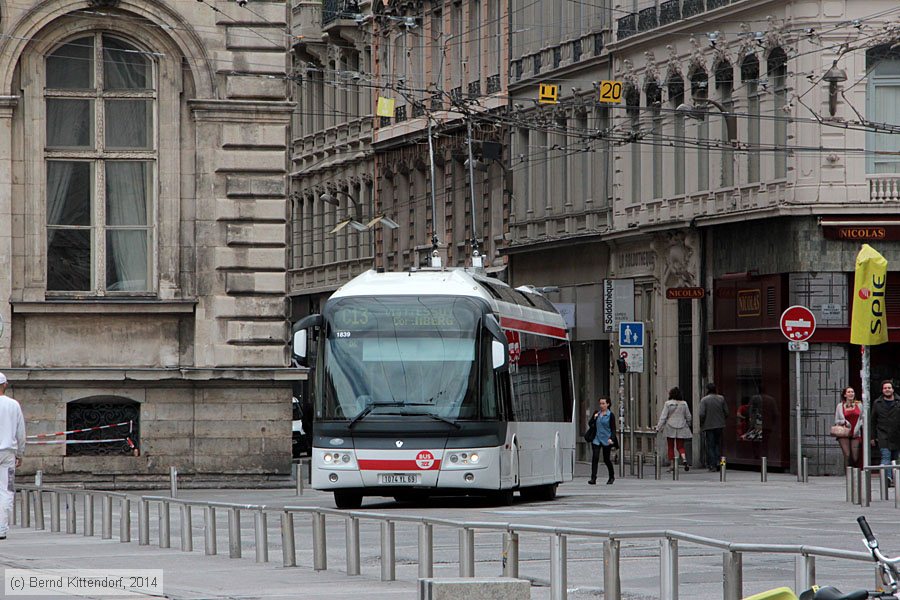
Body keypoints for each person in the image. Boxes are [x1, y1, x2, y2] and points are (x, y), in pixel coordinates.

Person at [0, 373, 26, 540]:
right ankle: (1, 528)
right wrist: (20, 453)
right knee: (6, 490)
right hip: (8, 453)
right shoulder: (13, 405)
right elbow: (20, 432)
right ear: (5, 385)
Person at [871, 379, 900, 486]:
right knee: (885, 456)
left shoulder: (898, 401)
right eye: (885, 388)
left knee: (895, 458)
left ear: (893, 389)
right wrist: (872, 437)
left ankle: (894, 477)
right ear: (882, 390)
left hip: (897, 435)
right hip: (883, 434)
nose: (887, 390)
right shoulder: (877, 403)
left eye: (889, 388)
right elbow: (873, 421)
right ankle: (887, 478)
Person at [656, 386, 692, 471]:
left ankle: (672, 465)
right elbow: (688, 416)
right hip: (681, 425)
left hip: (670, 426)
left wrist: (658, 427)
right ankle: (684, 459)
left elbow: (663, 417)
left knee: (670, 446)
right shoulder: (684, 404)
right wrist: (688, 424)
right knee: (680, 446)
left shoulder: (668, 404)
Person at [587, 397, 618, 485]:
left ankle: (611, 476)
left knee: (606, 459)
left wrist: (611, 438)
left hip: (606, 439)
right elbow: (590, 424)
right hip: (596, 439)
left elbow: (613, 429)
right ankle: (593, 478)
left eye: (603, 403)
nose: (601, 405)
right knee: (595, 457)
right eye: (600, 403)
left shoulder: (610, 415)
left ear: (608, 404)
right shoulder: (597, 413)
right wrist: (594, 418)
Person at [699, 382, 728, 471]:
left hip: (709, 426)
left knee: (710, 446)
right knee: (718, 445)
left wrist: (702, 423)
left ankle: (713, 465)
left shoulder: (704, 400)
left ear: (707, 390)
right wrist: (722, 419)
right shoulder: (721, 398)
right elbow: (726, 412)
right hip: (720, 425)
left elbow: (701, 414)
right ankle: (721, 464)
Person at [834, 386, 862, 469]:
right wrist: (844, 422)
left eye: (852, 392)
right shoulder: (840, 406)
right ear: (845, 395)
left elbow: (863, 418)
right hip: (844, 432)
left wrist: (859, 426)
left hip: (855, 432)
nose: (851, 393)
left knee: (855, 456)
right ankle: (847, 474)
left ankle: (854, 472)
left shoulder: (859, 405)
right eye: (849, 392)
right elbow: (836, 421)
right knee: (847, 455)